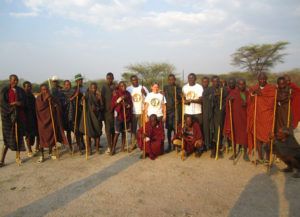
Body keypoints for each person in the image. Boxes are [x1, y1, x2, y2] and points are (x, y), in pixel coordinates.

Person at [247, 73, 277, 163]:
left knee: (268, 138)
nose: (262, 81)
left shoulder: (271, 89)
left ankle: (268, 157)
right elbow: (250, 101)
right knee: (258, 138)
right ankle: (260, 157)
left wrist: (261, 95)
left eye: (264, 79)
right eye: (260, 79)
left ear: (266, 79)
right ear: (258, 79)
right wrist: (253, 94)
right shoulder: (254, 88)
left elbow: (272, 102)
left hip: (268, 116)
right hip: (257, 116)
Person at [35, 84, 68, 163]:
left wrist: (55, 105)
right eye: (43, 89)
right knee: (42, 139)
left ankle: (51, 152)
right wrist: (46, 100)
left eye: (46, 89)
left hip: (51, 120)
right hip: (42, 122)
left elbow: (57, 106)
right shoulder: (39, 99)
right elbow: (40, 108)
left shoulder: (52, 97)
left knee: (52, 136)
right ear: (41, 90)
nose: (45, 91)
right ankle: (42, 155)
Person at [0, 74, 26, 166]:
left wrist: (19, 103)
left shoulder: (21, 91)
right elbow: (2, 103)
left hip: (18, 117)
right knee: (7, 139)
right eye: (13, 80)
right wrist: (12, 106)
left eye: (16, 80)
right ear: (10, 80)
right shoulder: (4, 90)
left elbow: (24, 102)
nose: (15, 81)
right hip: (7, 118)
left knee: (18, 137)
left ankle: (17, 157)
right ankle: (2, 160)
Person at [223, 79, 249, 161]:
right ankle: (234, 153)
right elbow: (227, 103)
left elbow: (251, 104)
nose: (241, 86)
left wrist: (247, 103)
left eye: (243, 84)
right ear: (237, 85)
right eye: (240, 84)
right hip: (235, 118)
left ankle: (245, 153)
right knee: (234, 135)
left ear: (245, 84)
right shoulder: (233, 93)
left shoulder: (247, 93)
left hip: (245, 118)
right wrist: (229, 101)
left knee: (245, 136)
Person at [79, 82, 103, 155]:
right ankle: (89, 149)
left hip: (97, 117)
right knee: (88, 134)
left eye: (95, 88)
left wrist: (97, 108)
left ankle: (97, 149)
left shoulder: (99, 96)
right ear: (89, 88)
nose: (94, 89)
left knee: (98, 132)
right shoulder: (87, 95)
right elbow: (81, 103)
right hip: (88, 117)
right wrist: (82, 100)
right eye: (92, 88)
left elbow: (102, 107)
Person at [126, 75, 149, 152]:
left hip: (142, 111)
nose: (135, 81)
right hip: (133, 112)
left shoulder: (143, 88)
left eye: (136, 80)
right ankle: (133, 143)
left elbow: (149, 97)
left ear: (138, 80)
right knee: (133, 129)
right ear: (131, 81)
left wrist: (144, 93)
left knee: (142, 129)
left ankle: (142, 143)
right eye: (133, 80)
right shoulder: (128, 89)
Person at [111, 81, 133, 155]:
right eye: (121, 86)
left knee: (124, 132)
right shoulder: (116, 93)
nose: (123, 87)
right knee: (117, 133)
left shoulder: (128, 93)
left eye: (124, 86)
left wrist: (127, 105)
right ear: (119, 87)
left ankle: (123, 147)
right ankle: (113, 149)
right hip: (119, 116)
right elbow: (113, 104)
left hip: (126, 115)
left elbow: (131, 104)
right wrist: (120, 99)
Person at [209, 76, 227, 158]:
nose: (216, 83)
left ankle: (217, 149)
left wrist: (220, 96)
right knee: (212, 131)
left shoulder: (223, 90)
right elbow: (207, 100)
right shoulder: (209, 90)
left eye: (217, 81)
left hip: (219, 113)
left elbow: (225, 100)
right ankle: (212, 149)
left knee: (219, 130)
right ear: (212, 82)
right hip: (211, 114)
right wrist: (214, 96)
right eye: (214, 81)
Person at [163, 74, 182, 152]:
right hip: (168, 111)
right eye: (170, 80)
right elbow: (164, 98)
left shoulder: (178, 88)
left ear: (175, 80)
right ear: (168, 80)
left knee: (176, 128)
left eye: (172, 79)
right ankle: (169, 146)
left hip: (176, 110)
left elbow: (181, 98)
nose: (171, 81)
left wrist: (179, 100)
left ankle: (176, 144)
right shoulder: (165, 87)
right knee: (169, 129)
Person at [101, 72, 116, 154]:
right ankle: (109, 147)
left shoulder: (115, 87)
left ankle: (113, 146)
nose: (109, 80)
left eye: (111, 78)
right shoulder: (104, 87)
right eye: (108, 78)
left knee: (114, 130)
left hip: (115, 111)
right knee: (108, 130)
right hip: (107, 112)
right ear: (106, 79)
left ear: (113, 78)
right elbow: (102, 99)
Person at [23, 81, 39, 157]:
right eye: (27, 86)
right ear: (24, 87)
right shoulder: (22, 96)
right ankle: (29, 150)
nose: (29, 88)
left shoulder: (32, 96)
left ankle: (37, 148)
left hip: (34, 116)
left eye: (30, 86)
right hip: (26, 118)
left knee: (37, 133)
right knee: (28, 135)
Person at [72, 74, 87, 154]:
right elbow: (73, 98)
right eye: (78, 80)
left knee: (84, 127)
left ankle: (85, 143)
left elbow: (87, 96)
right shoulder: (74, 89)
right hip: (77, 111)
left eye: (81, 80)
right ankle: (80, 144)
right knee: (78, 128)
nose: (80, 81)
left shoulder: (85, 88)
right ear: (76, 81)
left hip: (84, 109)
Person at [61, 80, 75, 151]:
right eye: (66, 85)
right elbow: (62, 103)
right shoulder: (62, 93)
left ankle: (80, 144)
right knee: (68, 132)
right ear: (64, 85)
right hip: (65, 115)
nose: (67, 86)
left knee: (76, 130)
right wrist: (69, 100)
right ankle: (70, 146)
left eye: (69, 84)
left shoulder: (73, 92)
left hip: (73, 114)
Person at [202, 76, 212, 151]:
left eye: (206, 82)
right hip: (200, 112)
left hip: (208, 112)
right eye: (204, 82)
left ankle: (208, 144)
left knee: (208, 129)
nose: (205, 83)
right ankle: (203, 144)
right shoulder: (199, 89)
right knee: (202, 129)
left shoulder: (210, 90)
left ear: (208, 82)